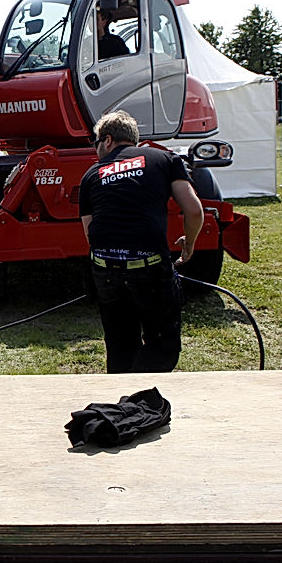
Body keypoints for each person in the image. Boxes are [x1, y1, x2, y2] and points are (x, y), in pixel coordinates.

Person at [79, 111, 204, 373]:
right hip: (149, 268)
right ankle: (141, 389)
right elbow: (193, 210)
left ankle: (124, 392)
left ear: (108, 140)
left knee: (120, 347)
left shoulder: (90, 175)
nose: (96, 150)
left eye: (96, 143)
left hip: (105, 270)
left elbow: (91, 234)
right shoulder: (163, 159)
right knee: (163, 345)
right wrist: (190, 242)